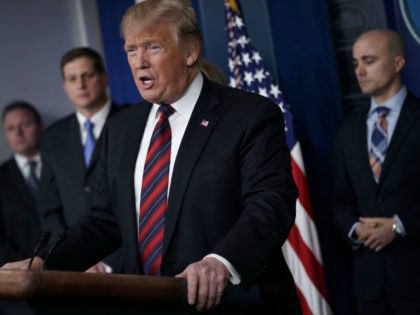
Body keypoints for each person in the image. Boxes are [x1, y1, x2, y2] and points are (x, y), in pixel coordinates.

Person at [2, 1, 301, 313]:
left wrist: (220, 262)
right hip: (147, 303)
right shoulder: (122, 128)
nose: (139, 62)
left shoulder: (249, 115)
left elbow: (269, 204)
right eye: (131, 50)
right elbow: (105, 220)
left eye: (153, 47)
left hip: (233, 303)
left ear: (190, 52)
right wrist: (44, 262)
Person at [331, 28, 420, 315]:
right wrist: (355, 228)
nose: (360, 71)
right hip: (368, 287)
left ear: (398, 63)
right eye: (356, 62)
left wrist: (398, 225)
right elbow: (339, 199)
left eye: (369, 60)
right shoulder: (347, 129)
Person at [36, 47, 128, 273]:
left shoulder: (130, 123)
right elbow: (49, 207)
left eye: (87, 75)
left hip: (124, 258)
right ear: (65, 86)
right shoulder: (52, 136)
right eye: (72, 78)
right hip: (70, 263)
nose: (81, 85)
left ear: (104, 77)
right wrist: (65, 251)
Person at [0, 101, 43, 265]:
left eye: (25, 125)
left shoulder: (61, 165)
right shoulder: (1, 176)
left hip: (73, 270)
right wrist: (26, 266)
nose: (18, 133)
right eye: (11, 128)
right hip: (19, 273)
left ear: (40, 126)